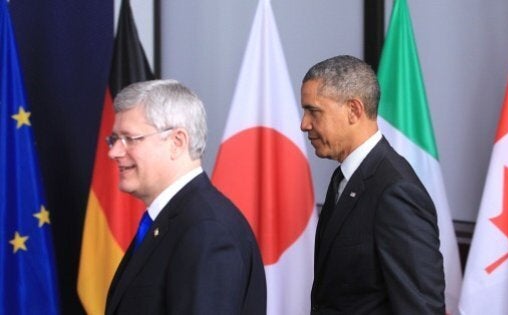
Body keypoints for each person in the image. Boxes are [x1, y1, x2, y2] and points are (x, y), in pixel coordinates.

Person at [104, 79, 266, 314]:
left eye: (129, 138)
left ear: (177, 142)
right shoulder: (176, 219)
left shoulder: (207, 230)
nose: (114, 152)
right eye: (114, 139)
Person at [301, 55, 445, 314]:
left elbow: (421, 308)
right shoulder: (343, 178)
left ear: (354, 110)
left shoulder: (396, 191)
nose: (304, 124)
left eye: (314, 111)